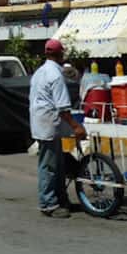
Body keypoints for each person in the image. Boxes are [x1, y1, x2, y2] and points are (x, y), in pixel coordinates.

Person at [30, 39, 87, 218]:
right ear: (61, 54)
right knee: (49, 165)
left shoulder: (39, 72)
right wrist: (76, 126)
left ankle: (61, 198)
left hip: (42, 121)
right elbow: (63, 108)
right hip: (49, 123)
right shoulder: (55, 75)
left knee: (58, 164)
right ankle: (48, 204)